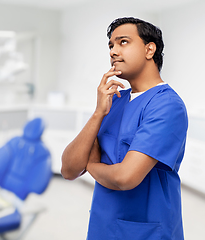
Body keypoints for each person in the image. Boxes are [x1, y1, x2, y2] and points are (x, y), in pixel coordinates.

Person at [61, 17, 188, 240]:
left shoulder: (166, 105)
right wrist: (98, 113)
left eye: (123, 42)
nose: (113, 51)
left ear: (150, 49)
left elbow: (125, 177)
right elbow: (69, 170)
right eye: (111, 45)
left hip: (145, 231)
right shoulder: (115, 101)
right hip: (104, 226)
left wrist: (90, 164)